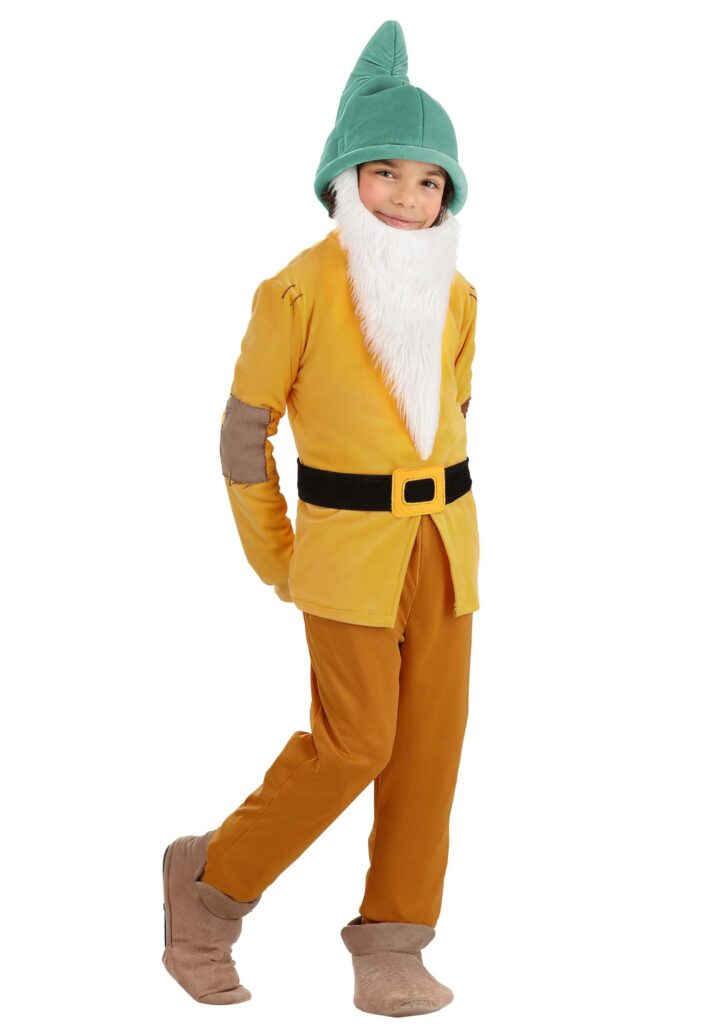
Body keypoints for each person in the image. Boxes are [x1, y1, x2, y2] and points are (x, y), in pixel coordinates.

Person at [161, 19, 480, 1017]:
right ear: (343, 181)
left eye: (428, 181)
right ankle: (210, 886)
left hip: (446, 550)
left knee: (429, 746)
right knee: (355, 744)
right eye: (384, 173)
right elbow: (242, 434)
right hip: (345, 557)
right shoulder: (294, 291)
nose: (407, 197)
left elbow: (454, 412)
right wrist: (279, 557)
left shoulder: (460, 296)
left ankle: (394, 940)